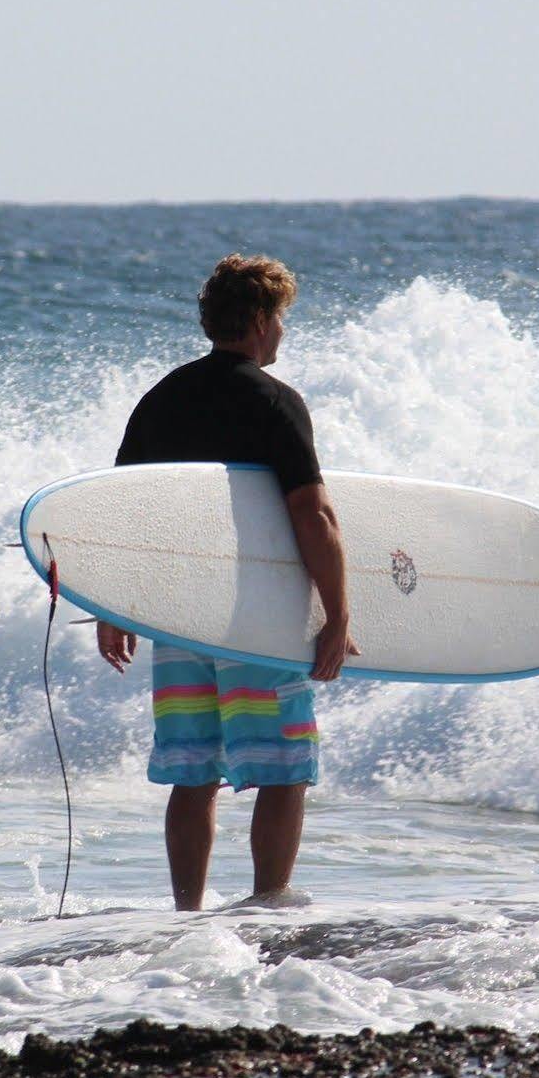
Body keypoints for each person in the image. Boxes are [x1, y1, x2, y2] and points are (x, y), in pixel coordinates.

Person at [99, 254, 359, 911]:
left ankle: (186, 917)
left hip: (178, 615)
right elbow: (311, 513)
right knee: (282, 770)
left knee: (193, 775)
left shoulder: (164, 396)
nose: (282, 332)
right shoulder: (273, 401)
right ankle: (269, 905)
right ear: (260, 321)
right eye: (281, 319)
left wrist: (112, 603)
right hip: (254, 616)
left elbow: (121, 509)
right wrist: (337, 615)